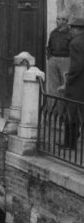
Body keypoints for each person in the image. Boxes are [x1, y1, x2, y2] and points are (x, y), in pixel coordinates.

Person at [59, 17, 84, 150]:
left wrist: (69, 78)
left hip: (77, 84)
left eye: (72, 28)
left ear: (77, 29)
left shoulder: (75, 43)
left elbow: (77, 65)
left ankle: (70, 144)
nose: (71, 31)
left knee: (71, 112)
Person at [46, 12, 72, 95]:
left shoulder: (70, 33)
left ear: (65, 21)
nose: (56, 20)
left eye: (58, 19)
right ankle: (54, 107)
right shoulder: (53, 33)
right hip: (53, 60)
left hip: (66, 60)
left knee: (65, 85)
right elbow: (49, 46)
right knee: (53, 86)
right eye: (57, 18)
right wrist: (50, 58)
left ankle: (63, 107)